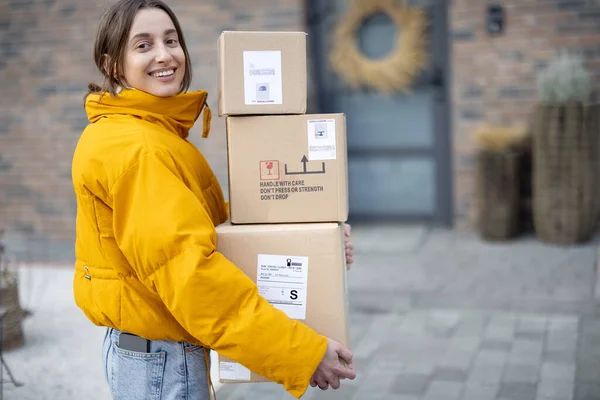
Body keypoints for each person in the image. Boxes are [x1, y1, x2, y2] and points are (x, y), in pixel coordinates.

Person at [71, 0, 357, 399]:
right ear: (112, 65)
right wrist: (301, 353)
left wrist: (317, 242)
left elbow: (215, 241)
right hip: (165, 362)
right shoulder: (138, 149)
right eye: (143, 45)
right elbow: (192, 278)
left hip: (157, 354)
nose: (164, 54)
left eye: (171, 40)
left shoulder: (153, 136)